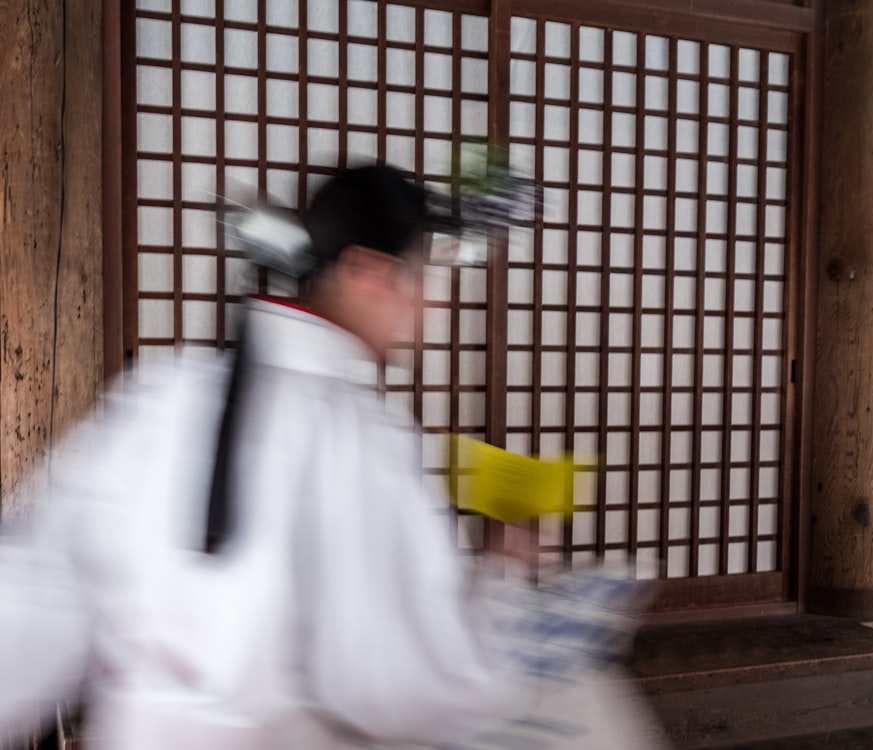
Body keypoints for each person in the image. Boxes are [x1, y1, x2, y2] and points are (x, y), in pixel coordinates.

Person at [0, 164, 521, 748]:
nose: (428, 305)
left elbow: (32, 591)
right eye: (420, 277)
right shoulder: (365, 440)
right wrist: (496, 595)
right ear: (365, 271)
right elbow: (395, 689)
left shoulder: (163, 394)